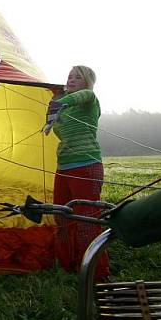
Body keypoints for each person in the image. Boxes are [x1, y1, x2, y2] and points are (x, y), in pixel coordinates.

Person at [44, 65, 109, 279]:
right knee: (61, 216)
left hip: (86, 166)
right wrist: (55, 101)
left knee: (86, 220)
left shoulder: (89, 99)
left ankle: (94, 272)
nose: (71, 79)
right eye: (69, 76)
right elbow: (56, 126)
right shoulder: (66, 107)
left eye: (77, 77)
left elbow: (80, 97)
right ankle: (67, 264)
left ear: (87, 81)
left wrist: (59, 100)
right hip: (63, 167)